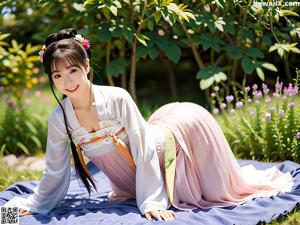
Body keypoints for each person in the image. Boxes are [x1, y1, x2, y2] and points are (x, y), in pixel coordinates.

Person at [15, 28, 293, 221]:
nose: (68, 81)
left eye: (73, 70)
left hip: (177, 142)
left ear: (86, 66)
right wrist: (36, 204)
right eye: (58, 75)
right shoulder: (59, 117)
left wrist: (150, 202)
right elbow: (55, 169)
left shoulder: (117, 98)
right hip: (135, 175)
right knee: (13, 215)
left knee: (224, 192)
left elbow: (145, 146)